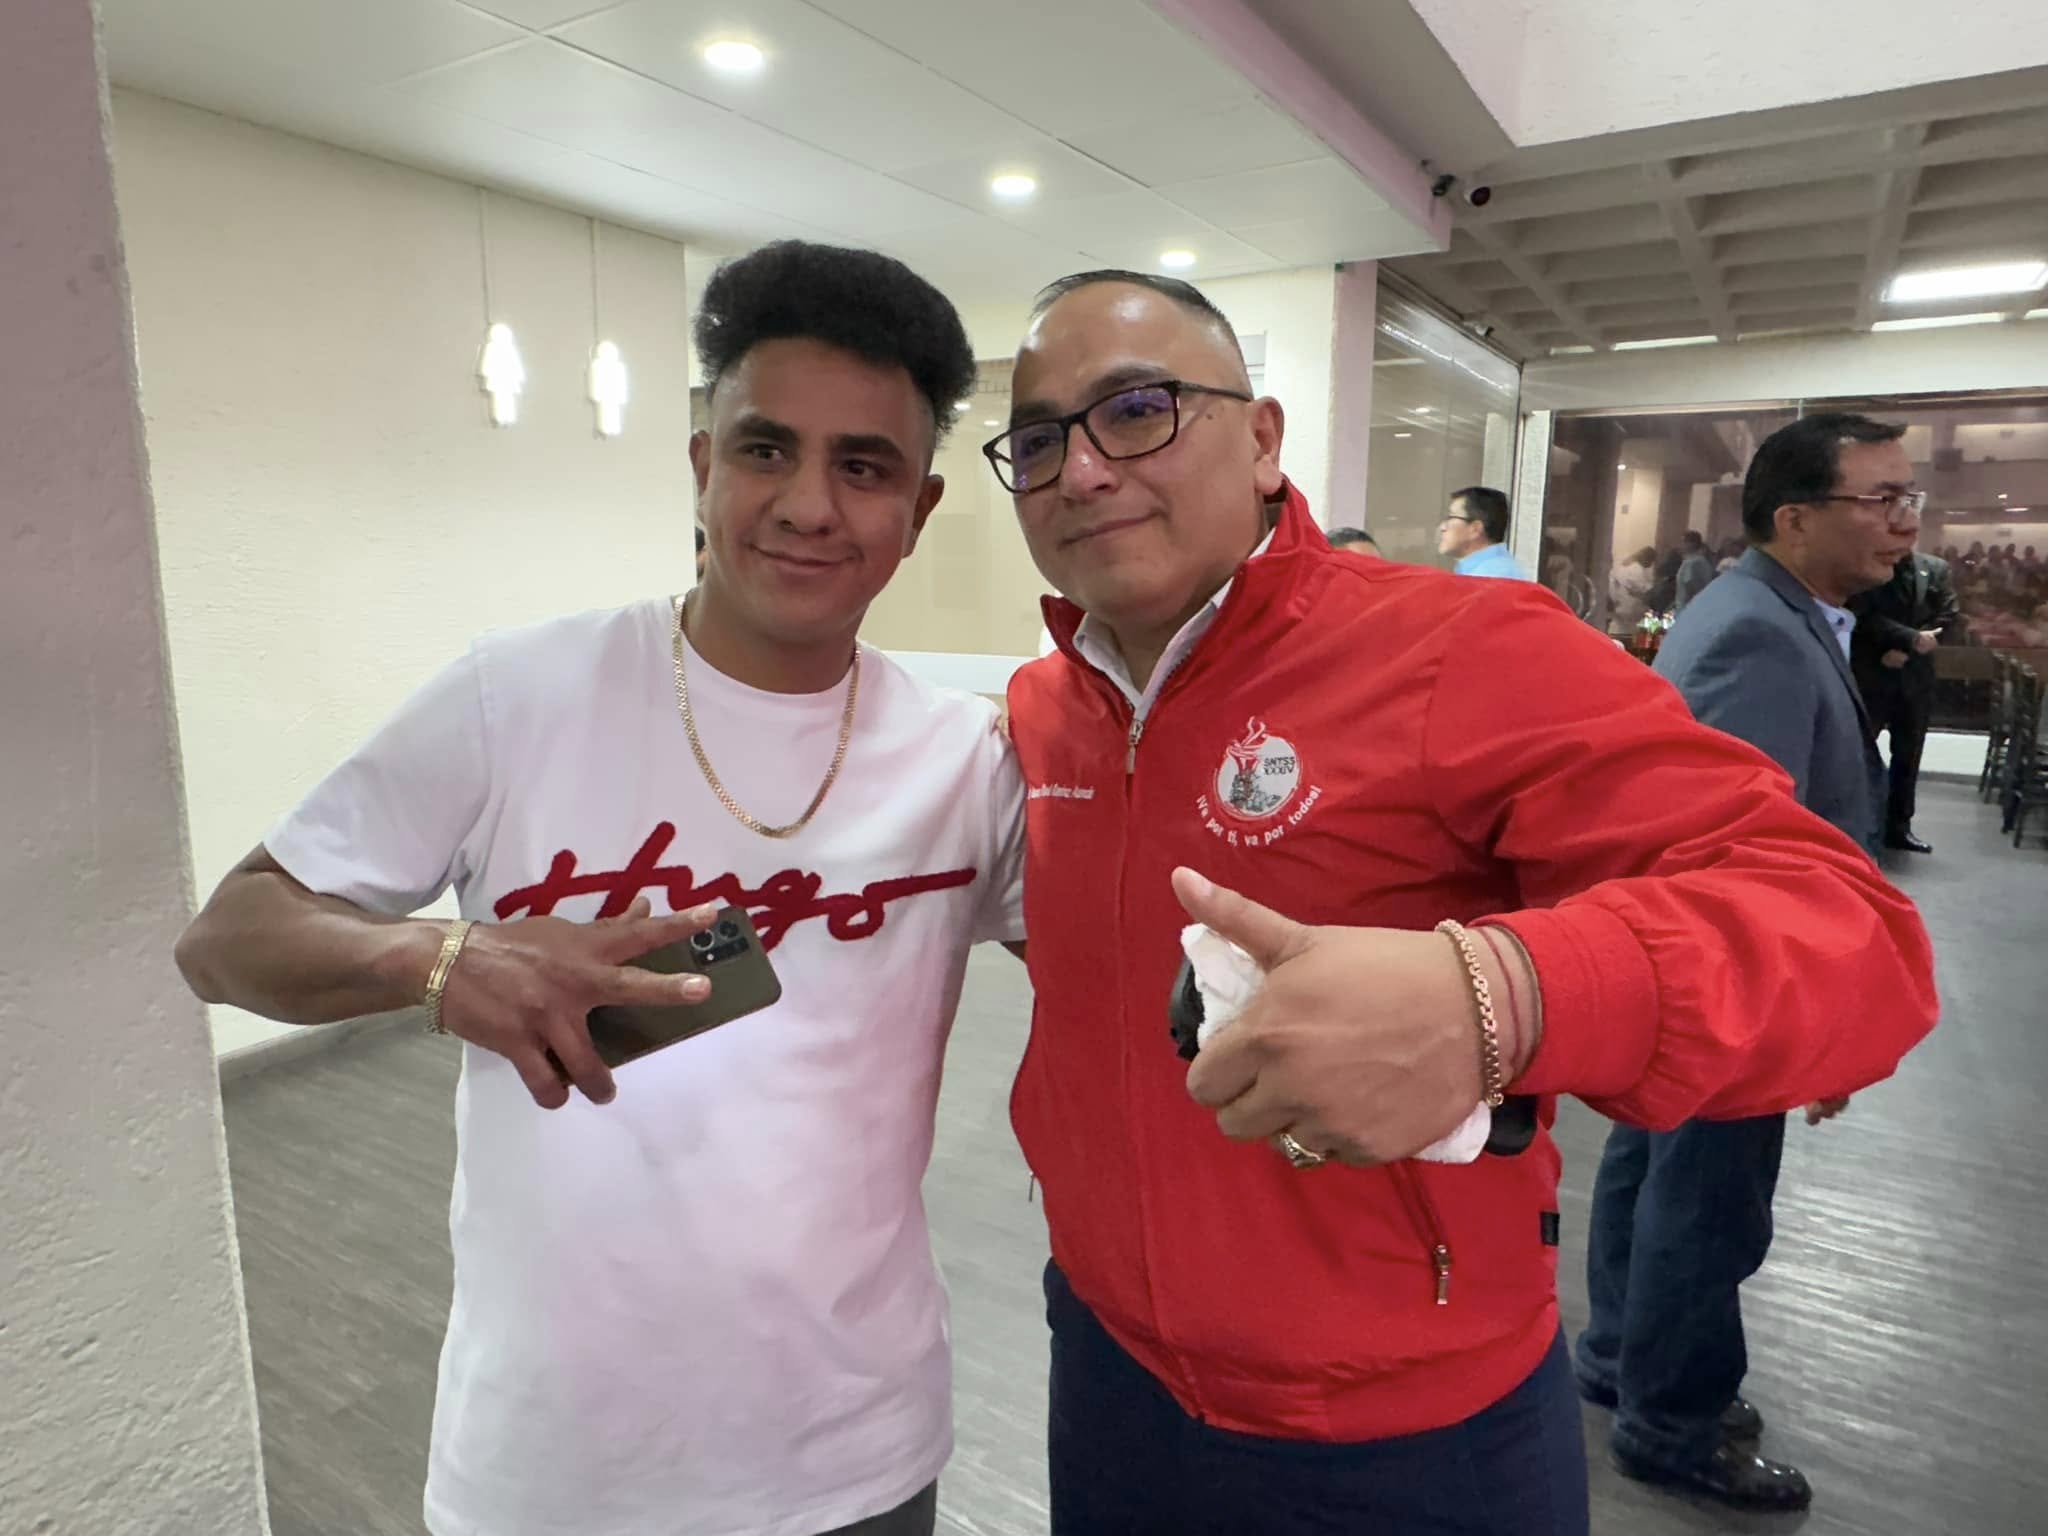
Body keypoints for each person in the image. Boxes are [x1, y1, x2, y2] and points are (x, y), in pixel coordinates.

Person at [986, 271, 1938, 1536]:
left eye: (1135, 410)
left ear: (1262, 441)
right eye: (1036, 441)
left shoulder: (1458, 649)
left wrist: (1501, 996)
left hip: (1403, 1428)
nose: (1079, 470)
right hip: (1109, 1372)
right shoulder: (1045, 709)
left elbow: (1846, 936)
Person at [174, 241, 1027, 1536]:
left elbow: (1128, 976)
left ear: (919, 508)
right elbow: (230, 938)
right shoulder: (518, 695)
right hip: (559, 1462)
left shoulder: (967, 759)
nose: (808, 504)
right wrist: (440, 961)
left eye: (864, 467)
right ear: (701, 465)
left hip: (857, 1451)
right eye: (765, 449)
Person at [1578, 413, 1923, 1514]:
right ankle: (1671, 1423)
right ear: (1795, 517)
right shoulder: (1755, 634)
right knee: (1708, 1202)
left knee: (1654, 1164)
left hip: (1701, 967)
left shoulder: (1773, 613)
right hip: (1731, 972)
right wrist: (1807, 1018)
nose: (1904, 520)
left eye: (1907, 497)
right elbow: (1740, 853)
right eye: (1880, 499)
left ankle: (1619, 1356)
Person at [1851, 547, 1962, 853]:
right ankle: (1854, 823)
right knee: (1857, 752)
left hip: (1916, 677)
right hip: (1873, 671)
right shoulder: (1868, 563)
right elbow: (1860, 614)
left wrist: (1911, 647)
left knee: (1908, 755)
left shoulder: (1935, 568)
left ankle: (1899, 827)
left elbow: (1949, 615)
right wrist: (1908, 639)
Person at [1437, 484, 1531, 578]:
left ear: (1475, 529)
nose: (1442, 527)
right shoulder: (1485, 570)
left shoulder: (1491, 575)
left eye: (1451, 517)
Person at [1609, 543, 1657, 635]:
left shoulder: (1626, 566)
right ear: (1647, 559)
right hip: (1630, 607)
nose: (1651, 565)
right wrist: (1654, 587)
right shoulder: (1636, 569)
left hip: (1620, 605)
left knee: (1620, 629)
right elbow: (1644, 589)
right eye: (1651, 561)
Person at [1673, 529, 1717, 612]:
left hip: (1687, 608)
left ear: (1692, 544)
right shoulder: (1700, 561)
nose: (1681, 545)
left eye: (1684, 542)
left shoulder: (1693, 562)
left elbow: (1691, 585)